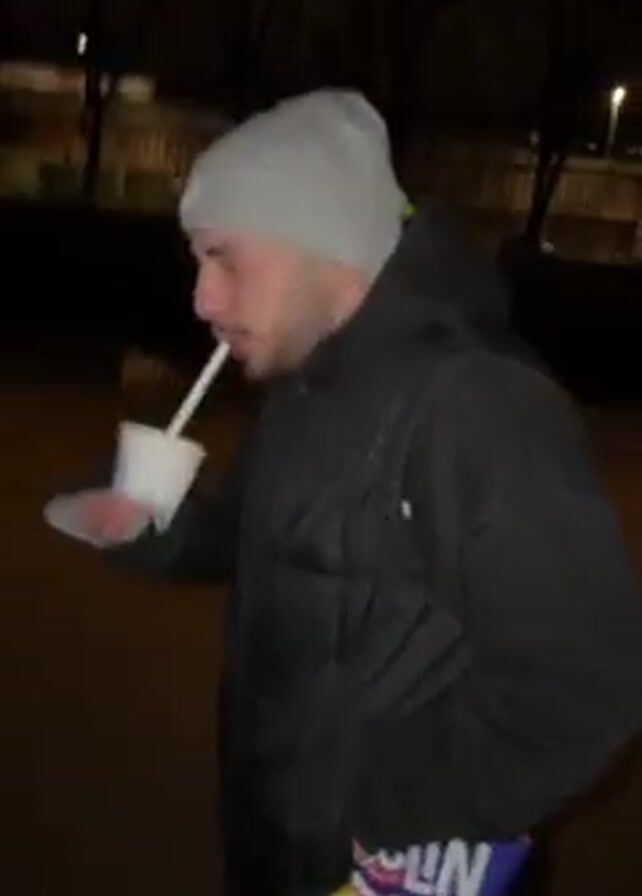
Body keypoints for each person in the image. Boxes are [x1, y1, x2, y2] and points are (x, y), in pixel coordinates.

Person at [69, 90, 641, 896]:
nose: (202, 299)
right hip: (276, 841)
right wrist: (148, 531)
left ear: (324, 244)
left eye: (224, 257)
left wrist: (390, 810)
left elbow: (586, 684)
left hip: (388, 866)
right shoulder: (306, 387)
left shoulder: (477, 407)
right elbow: (242, 538)